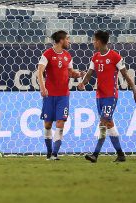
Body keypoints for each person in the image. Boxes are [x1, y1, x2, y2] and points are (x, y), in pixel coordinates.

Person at [78, 30, 136, 163]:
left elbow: (126, 75)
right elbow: (89, 74)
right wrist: (83, 83)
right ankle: (121, 155)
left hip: (111, 96)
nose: (93, 42)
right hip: (99, 96)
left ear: (99, 41)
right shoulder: (95, 57)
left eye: (94, 40)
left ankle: (95, 155)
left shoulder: (115, 57)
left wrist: (135, 90)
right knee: (109, 123)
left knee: (103, 123)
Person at [37, 30, 85, 160]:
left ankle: (54, 154)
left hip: (63, 95)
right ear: (61, 40)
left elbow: (70, 72)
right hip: (49, 95)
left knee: (60, 122)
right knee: (47, 125)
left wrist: (78, 74)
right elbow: (39, 72)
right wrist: (42, 87)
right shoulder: (47, 54)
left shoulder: (68, 56)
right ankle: (49, 152)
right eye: (68, 39)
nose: (69, 41)